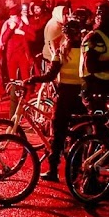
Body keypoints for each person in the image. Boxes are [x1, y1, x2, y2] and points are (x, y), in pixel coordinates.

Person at [26, 18, 84, 181]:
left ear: (65, 35)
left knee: (57, 135)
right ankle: (75, 171)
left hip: (65, 96)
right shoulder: (86, 51)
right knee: (78, 135)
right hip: (80, 97)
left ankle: (53, 170)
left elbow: (50, 75)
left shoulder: (61, 52)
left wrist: (33, 79)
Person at [80, 1, 109, 115]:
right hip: (96, 90)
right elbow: (91, 66)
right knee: (100, 129)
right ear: (107, 18)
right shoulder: (95, 37)